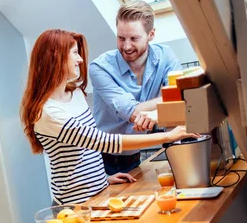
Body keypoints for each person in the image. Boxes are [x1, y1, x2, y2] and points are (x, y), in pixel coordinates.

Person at [20, 29, 194, 205]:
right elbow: (101, 141)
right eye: (74, 53)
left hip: (98, 195)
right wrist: (169, 136)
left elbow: (86, 151)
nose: (80, 59)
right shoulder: (49, 113)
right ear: (56, 56)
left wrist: (104, 178)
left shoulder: (76, 94)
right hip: (75, 205)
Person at [90, 1, 182, 175]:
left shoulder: (166, 56)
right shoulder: (100, 68)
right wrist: (166, 101)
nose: (126, 46)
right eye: (121, 38)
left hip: (133, 155)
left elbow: (181, 98)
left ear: (151, 34)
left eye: (134, 38)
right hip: (101, 160)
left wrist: (159, 111)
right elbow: (132, 112)